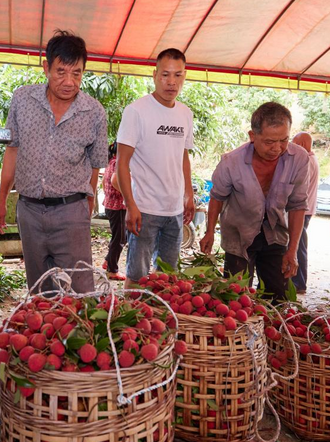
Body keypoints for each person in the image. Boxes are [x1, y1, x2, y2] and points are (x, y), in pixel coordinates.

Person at [0, 31, 108, 293]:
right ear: (46, 67)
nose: (69, 81)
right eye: (61, 72)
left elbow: (95, 165)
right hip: (29, 212)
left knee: (79, 293)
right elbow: (12, 151)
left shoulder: (94, 112)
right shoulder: (23, 100)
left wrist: (85, 210)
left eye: (76, 73)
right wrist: (1, 200)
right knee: (40, 291)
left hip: (71, 212)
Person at [199, 102, 309, 301]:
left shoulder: (299, 159)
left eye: (284, 140)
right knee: (236, 298)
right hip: (239, 235)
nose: (277, 148)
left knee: (278, 299)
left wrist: (292, 251)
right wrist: (209, 232)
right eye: (269, 142)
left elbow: (298, 206)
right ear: (252, 136)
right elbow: (217, 197)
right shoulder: (231, 162)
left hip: (276, 235)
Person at [115, 48, 195, 286]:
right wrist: (130, 205)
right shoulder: (137, 111)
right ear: (154, 75)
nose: (171, 82)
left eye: (178, 75)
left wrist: (189, 194)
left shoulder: (185, 113)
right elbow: (122, 163)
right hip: (145, 209)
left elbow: (183, 157)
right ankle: (128, 321)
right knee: (136, 276)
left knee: (167, 278)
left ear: (184, 76)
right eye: (165, 75)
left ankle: (159, 320)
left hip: (174, 211)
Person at [291, 132, 319, 294]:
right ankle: (297, 281)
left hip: (302, 210)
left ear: (301, 144)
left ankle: (299, 283)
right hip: (305, 209)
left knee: (298, 245)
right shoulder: (311, 158)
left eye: (294, 143)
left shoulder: (306, 161)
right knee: (298, 244)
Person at [101, 142, 126, 280]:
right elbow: (115, 179)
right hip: (118, 206)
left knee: (119, 237)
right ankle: (112, 269)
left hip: (111, 205)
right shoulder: (119, 163)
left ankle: (108, 260)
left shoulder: (112, 161)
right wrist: (127, 195)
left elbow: (105, 181)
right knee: (120, 238)